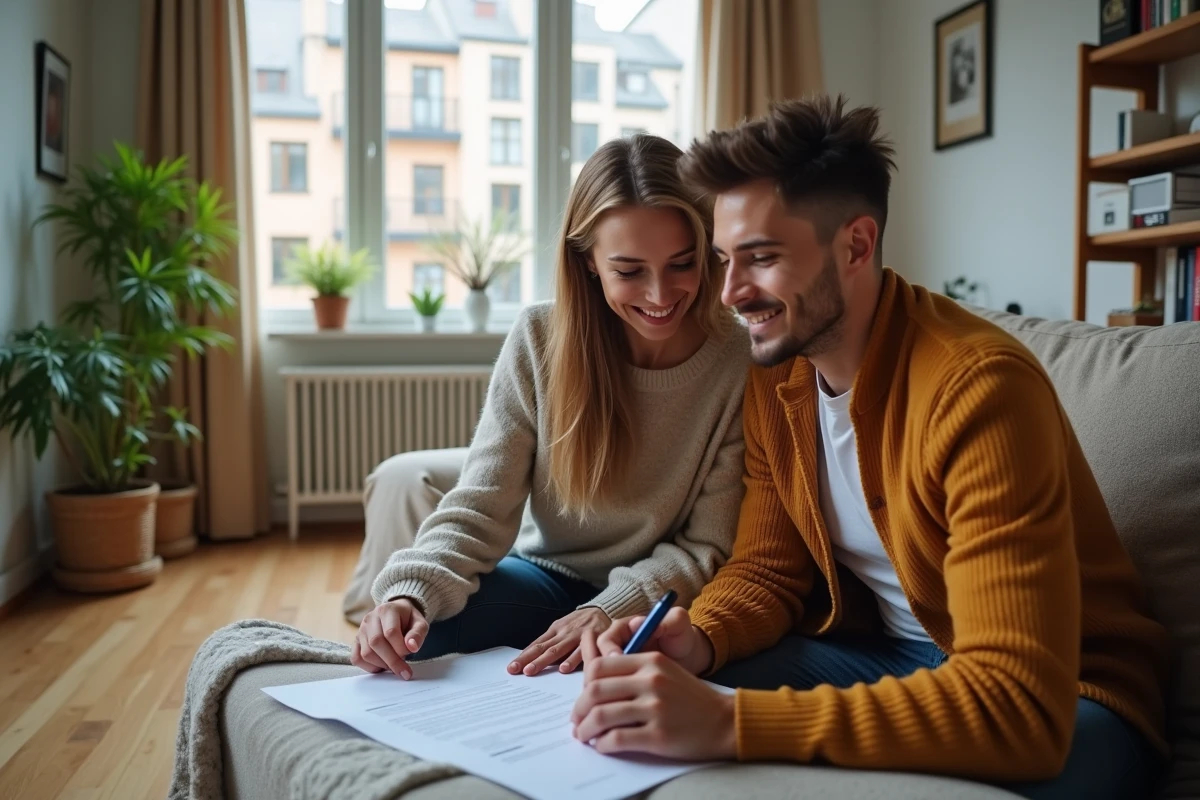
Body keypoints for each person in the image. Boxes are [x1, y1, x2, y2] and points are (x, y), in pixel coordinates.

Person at [572, 95, 1170, 799]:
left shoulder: (979, 389)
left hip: (1070, 700)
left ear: (856, 245)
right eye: (724, 259)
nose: (730, 293)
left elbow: (1017, 707)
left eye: (760, 259)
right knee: (636, 719)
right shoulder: (780, 372)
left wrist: (732, 721)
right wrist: (698, 637)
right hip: (876, 657)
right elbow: (767, 571)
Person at [350, 134, 752, 681]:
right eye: (630, 271)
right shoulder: (539, 337)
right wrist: (410, 594)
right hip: (544, 580)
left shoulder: (739, 360)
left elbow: (707, 547)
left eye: (682, 264)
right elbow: (481, 504)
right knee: (416, 639)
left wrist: (607, 611)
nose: (660, 295)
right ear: (587, 261)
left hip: (657, 601)